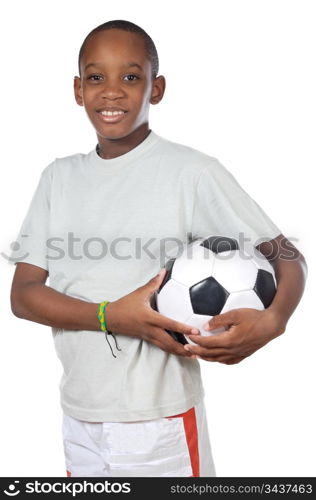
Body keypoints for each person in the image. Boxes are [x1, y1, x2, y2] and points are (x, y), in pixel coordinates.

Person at [9, 19, 307, 478]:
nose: (111, 92)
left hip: (158, 418)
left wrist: (275, 319)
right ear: (76, 89)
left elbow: (286, 254)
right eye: (95, 77)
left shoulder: (191, 172)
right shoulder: (57, 178)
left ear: (157, 87)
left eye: (130, 77)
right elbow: (24, 296)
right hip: (79, 414)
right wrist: (112, 316)